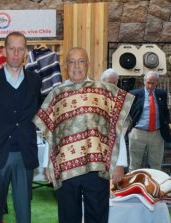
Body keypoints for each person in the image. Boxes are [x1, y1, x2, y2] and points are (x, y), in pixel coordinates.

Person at [34, 47, 134, 223]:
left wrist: (120, 163)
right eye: (71, 62)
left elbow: (117, 128)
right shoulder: (57, 95)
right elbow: (50, 132)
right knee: (67, 216)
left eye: (81, 61)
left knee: (97, 214)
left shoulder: (103, 91)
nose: (76, 66)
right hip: (65, 167)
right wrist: (47, 163)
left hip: (96, 166)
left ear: (88, 64)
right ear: (66, 66)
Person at [0, 31, 42, 223]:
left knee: (24, 210)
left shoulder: (35, 81)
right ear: (5, 50)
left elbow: (38, 113)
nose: (16, 53)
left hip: (24, 152)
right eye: (12, 49)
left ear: (26, 52)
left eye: (20, 49)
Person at [128, 71, 171, 171]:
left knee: (156, 165)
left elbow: (165, 111)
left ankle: (154, 186)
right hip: (138, 133)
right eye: (148, 82)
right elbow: (127, 113)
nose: (150, 86)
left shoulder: (162, 94)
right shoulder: (134, 94)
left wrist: (164, 124)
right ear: (144, 81)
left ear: (157, 82)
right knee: (134, 165)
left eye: (153, 83)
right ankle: (134, 186)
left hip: (156, 134)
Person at [100, 68, 129, 184]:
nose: (112, 85)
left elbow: (120, 135)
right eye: (109, 82)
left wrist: (120, 163)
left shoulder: (121, 101)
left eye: (115, 82)